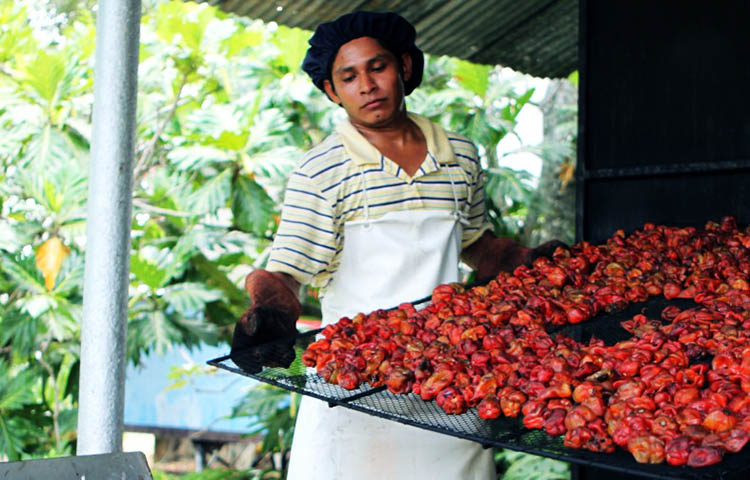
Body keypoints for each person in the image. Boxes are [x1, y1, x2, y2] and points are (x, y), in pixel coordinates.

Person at [232, 11, 565, 480]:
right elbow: (288, 273)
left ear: (405, 67)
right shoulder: (320, 169)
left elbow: (474, 244)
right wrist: (268, 313)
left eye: (378, 67)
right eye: (348, 77)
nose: (366, 84)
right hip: (354, 384)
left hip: (451, 379)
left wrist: (524, 262)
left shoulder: (460, 157)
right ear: (332, 91)